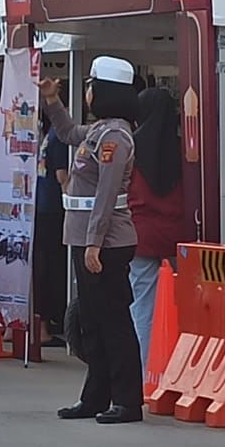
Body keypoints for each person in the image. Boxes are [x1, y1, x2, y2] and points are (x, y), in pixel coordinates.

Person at [41, 56, 144, 425]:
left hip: (106, 241)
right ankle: (96, 396)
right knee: (93, 322)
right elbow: (68, 133)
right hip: (86, 237)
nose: (87, 93)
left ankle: (127, 400)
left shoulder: (116, 136)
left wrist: (94, 243)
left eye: (91, 87)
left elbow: (106, 193)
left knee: (113, 321)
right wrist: (52, 101)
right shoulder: (100, 131)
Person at [129, 86, 187, 369]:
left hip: (140, 237)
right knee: (181, 307)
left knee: (143, 308)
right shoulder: (185, 149)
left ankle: (146, 372)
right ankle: (176, 368)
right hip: (177, 236)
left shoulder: (131, 147)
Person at [33, 111, 70, 345]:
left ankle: (38, 323)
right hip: (54, 208)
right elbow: (62, 176)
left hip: (39, 205)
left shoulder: (49, 135)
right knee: (51, 268)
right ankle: (45, 325)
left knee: (40, 266)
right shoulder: (61, 137)